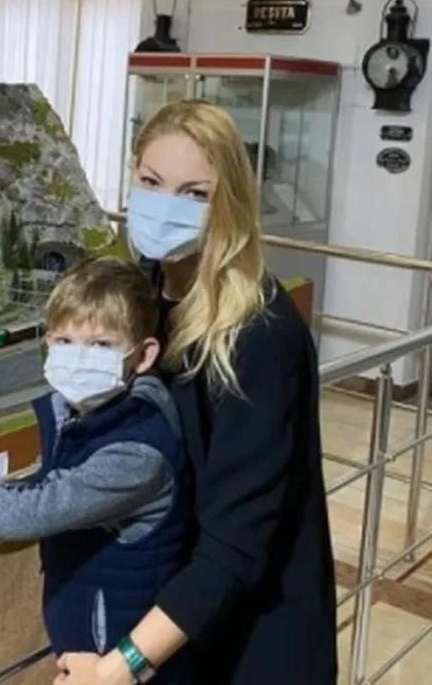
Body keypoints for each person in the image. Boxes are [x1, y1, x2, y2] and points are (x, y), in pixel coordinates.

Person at [55, 100, 337, 684]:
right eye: (152, 182)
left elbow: (237, 543)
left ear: (228, 202)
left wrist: (123, 667)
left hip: (251, 639)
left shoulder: (260, 334)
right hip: (173, 623)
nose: (165, 206)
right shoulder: (142, 296)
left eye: (194, 193)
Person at [0, 256, 195, 683]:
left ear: (143, 355)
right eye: (64, 340)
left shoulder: (137, 450)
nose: (78, 358)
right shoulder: (85, 416)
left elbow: (29, 512)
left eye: (101, 345)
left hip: (117, 665)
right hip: (91, 655)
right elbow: (59, 488)